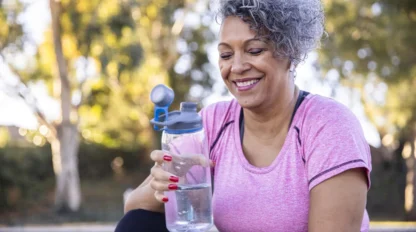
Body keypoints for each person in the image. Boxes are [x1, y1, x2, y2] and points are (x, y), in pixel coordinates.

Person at [116, 0, 372, 231]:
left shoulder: (329, 125)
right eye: (226, 55)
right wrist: (165, 182)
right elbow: (135, 214)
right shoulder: (213, 122)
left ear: (290, 53)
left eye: (255, 50)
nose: (236, 67)